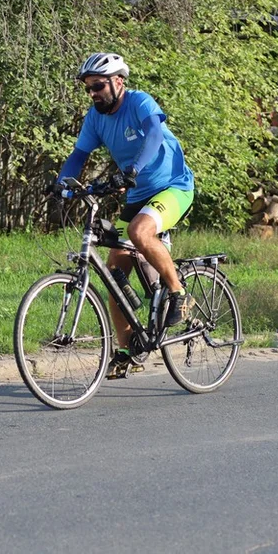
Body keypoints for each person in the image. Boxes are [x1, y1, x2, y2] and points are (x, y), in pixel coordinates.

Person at [56, 52, 196, 377]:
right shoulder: (95, 117)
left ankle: (177, 291)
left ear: (118, 82)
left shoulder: (139, 102)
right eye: (89, 88)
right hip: (138, 193)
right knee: (114, 276)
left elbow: (155, 136)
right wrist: (61, 183)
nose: (93, 94)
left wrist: (132, 168)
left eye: (99, 86)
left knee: (139, 232)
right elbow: (78, 155)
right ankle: (126, 351)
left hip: (173, 185)